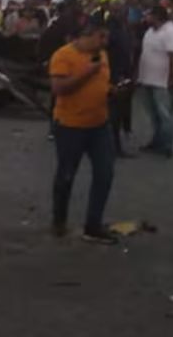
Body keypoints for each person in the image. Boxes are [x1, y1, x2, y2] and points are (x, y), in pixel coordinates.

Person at [48, 21, 119, 245]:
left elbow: (102, 84)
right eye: (101, 37)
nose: (104, 42)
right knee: (66, 175)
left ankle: (93, 224)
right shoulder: (63, 56)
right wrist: (87, 72)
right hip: (70, 126)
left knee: (105, 173)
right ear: (87, 36)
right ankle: (59, 220)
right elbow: (59, 88)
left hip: (99, 125)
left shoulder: (102, 55)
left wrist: (112, 91)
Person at [137, 6, 173, 157]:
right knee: (154, 114)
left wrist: (171, 79)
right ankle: (156, 140)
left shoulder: (171, 31)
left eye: (149, 15)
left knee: (164, 115)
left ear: (157, 16)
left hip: (163, 82)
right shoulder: (150, 31)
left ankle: (167, 145)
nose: (146, 18)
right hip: (148, 79)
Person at [104, 0, 136, 158]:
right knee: (115, 112)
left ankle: (116, 143)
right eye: (120, 10)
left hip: (124, 72)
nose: (124, 13)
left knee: (121, 110)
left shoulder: (123, 27)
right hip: (116, 74)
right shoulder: (110, 29)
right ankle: (112, 145)